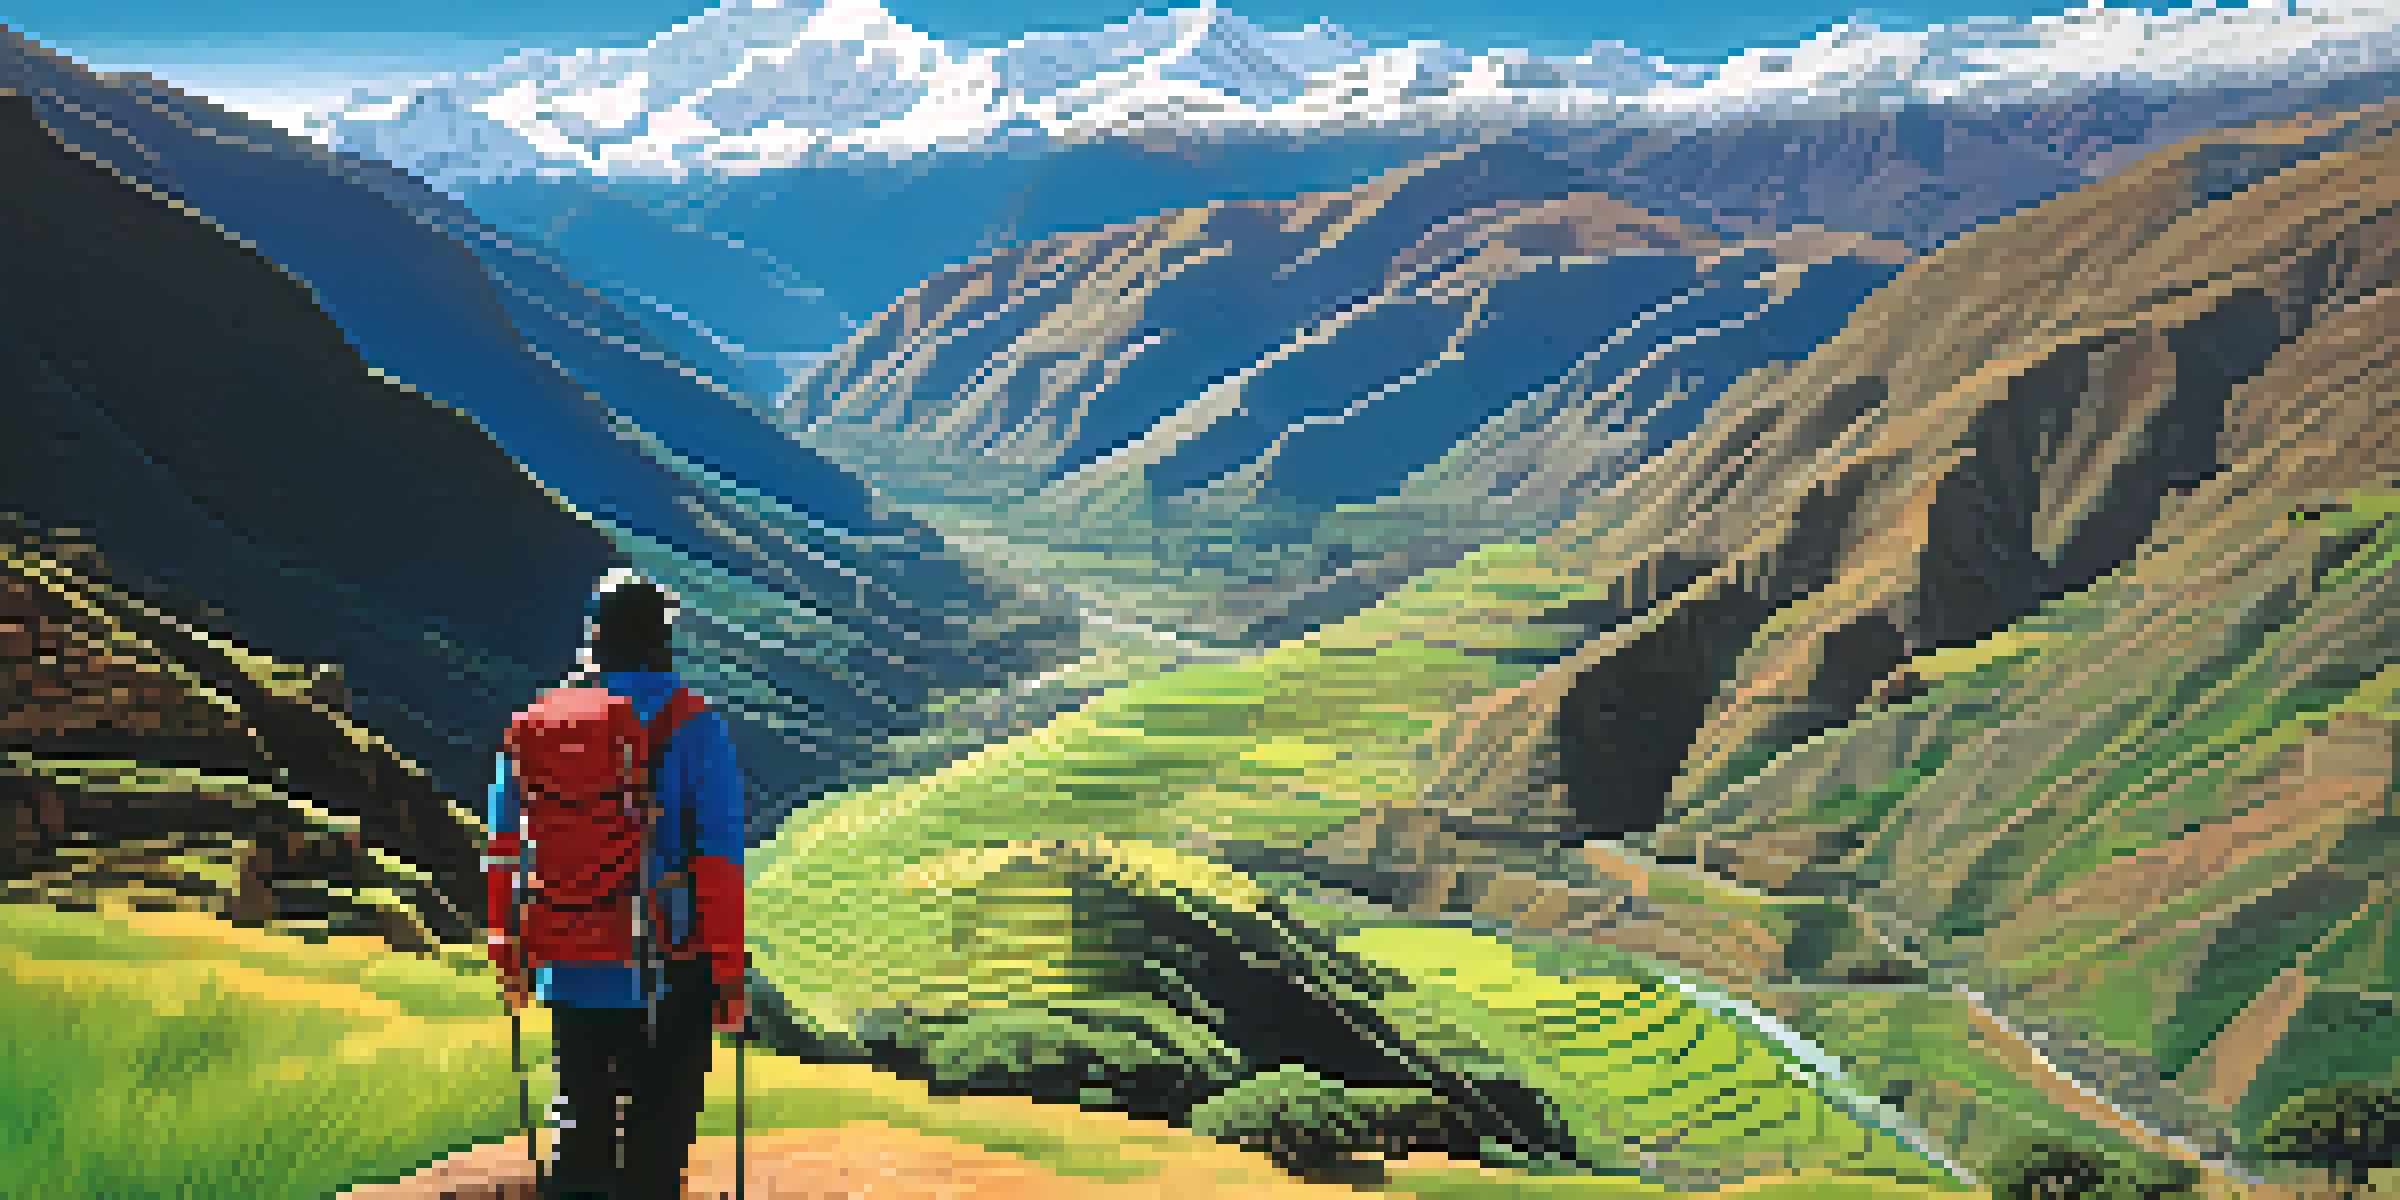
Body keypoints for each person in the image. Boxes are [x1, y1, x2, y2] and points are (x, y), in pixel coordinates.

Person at [485, 567, 747, 1200]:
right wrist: (728, 976)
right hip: (667, 964)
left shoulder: (539, 725)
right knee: (655, 1144)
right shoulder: (693, 724)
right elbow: (719, 860)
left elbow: (503, 851)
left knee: (579, 1121)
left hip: (567, 957)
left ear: (594, 638)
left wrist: (508, 951)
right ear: (663, 638)